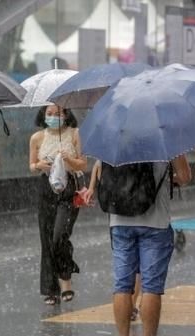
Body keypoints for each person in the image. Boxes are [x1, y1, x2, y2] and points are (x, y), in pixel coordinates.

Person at [106, 157, 191, 336]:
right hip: (155, 221)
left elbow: (102, 176)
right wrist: (167, 178)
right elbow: (185, 177)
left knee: (122, 286)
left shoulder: (115, 139)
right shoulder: (164, 139)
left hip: (120, 220)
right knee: (151, 287)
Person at [28, 104, 87, 305]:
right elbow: (31, 165)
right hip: (46, 187)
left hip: (68, 187)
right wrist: (39, 165)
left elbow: (83, 164)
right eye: (49, 114)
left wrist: (68, 158)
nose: (54, 117)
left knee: (59, 235)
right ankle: (50, 289)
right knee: (46, 238)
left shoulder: (75, 133)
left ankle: (66, 280)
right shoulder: (37, 138)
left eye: (59, 113)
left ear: (66, 114)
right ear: (43, 116)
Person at [84, 161, 142, 321]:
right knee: (137, 265)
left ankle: (131, 304)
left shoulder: (112, 149)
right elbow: (97, 165)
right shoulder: (142, 151)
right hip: (137, 209)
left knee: (126, 263)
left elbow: (97, 165)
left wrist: (91, 188)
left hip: (118, 212)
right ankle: (132, 304)